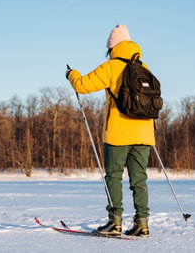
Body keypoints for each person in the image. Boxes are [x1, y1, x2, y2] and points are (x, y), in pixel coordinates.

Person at [66, 24, 155, 237]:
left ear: (112, 47)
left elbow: (82, 86)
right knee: (139, 179)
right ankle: (142, 224)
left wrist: (72, 74)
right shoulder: (145, 68)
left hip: (118, 133)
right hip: (144, 133)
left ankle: (114, 223)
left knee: (114, 176)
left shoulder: (112, 66)